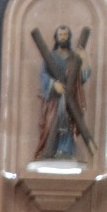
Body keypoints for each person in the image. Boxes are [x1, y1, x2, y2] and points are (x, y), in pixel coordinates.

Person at [36, 24, 92, 160]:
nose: (63, 37)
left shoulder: (74, 57)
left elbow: (83, 76)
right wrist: (53, 85)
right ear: (56, 38)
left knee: (68, 123)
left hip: (70, 98)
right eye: (60, 35)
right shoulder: (51, 57)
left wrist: (84, 60)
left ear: (69, 37)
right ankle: (50, 150)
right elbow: (43, 75)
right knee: (52, 123)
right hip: (54, 101)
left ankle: (65, 151)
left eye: (65, 35)